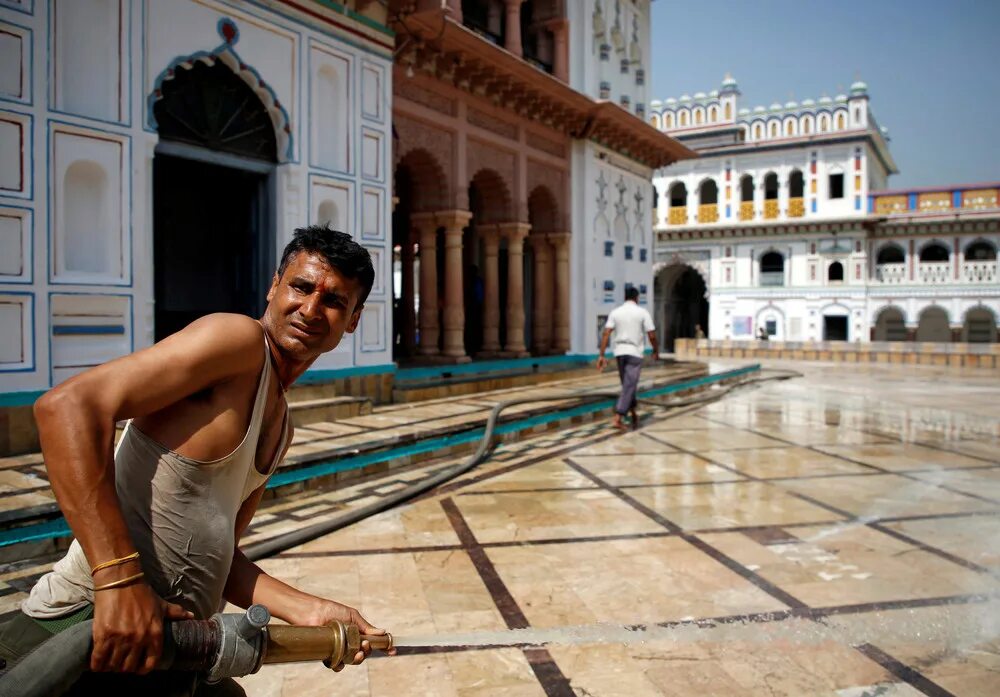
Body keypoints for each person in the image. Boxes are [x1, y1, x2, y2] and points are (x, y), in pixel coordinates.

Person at [0, 226, 395, 695]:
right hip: (86, 625)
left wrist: (309, 610)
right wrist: (120, 582)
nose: (310, 309)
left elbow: (221, 557)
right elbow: (66, 407)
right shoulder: (237, 342)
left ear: (352, 320)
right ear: (274, 287)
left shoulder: (280, 422)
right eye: (301, 287)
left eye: (333, 301)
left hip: (166, 645)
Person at [596, 286, 659, 430]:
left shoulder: (615, 312)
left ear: (625, 297)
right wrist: (656, 350)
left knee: (627, 385)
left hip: (620, 352)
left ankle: (633, 413)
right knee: (629, 385)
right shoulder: (642, 312)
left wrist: (601, 355)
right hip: (634, 353)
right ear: (637, 298)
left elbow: (606, 333)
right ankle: (618, 417)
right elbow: (652, 335)